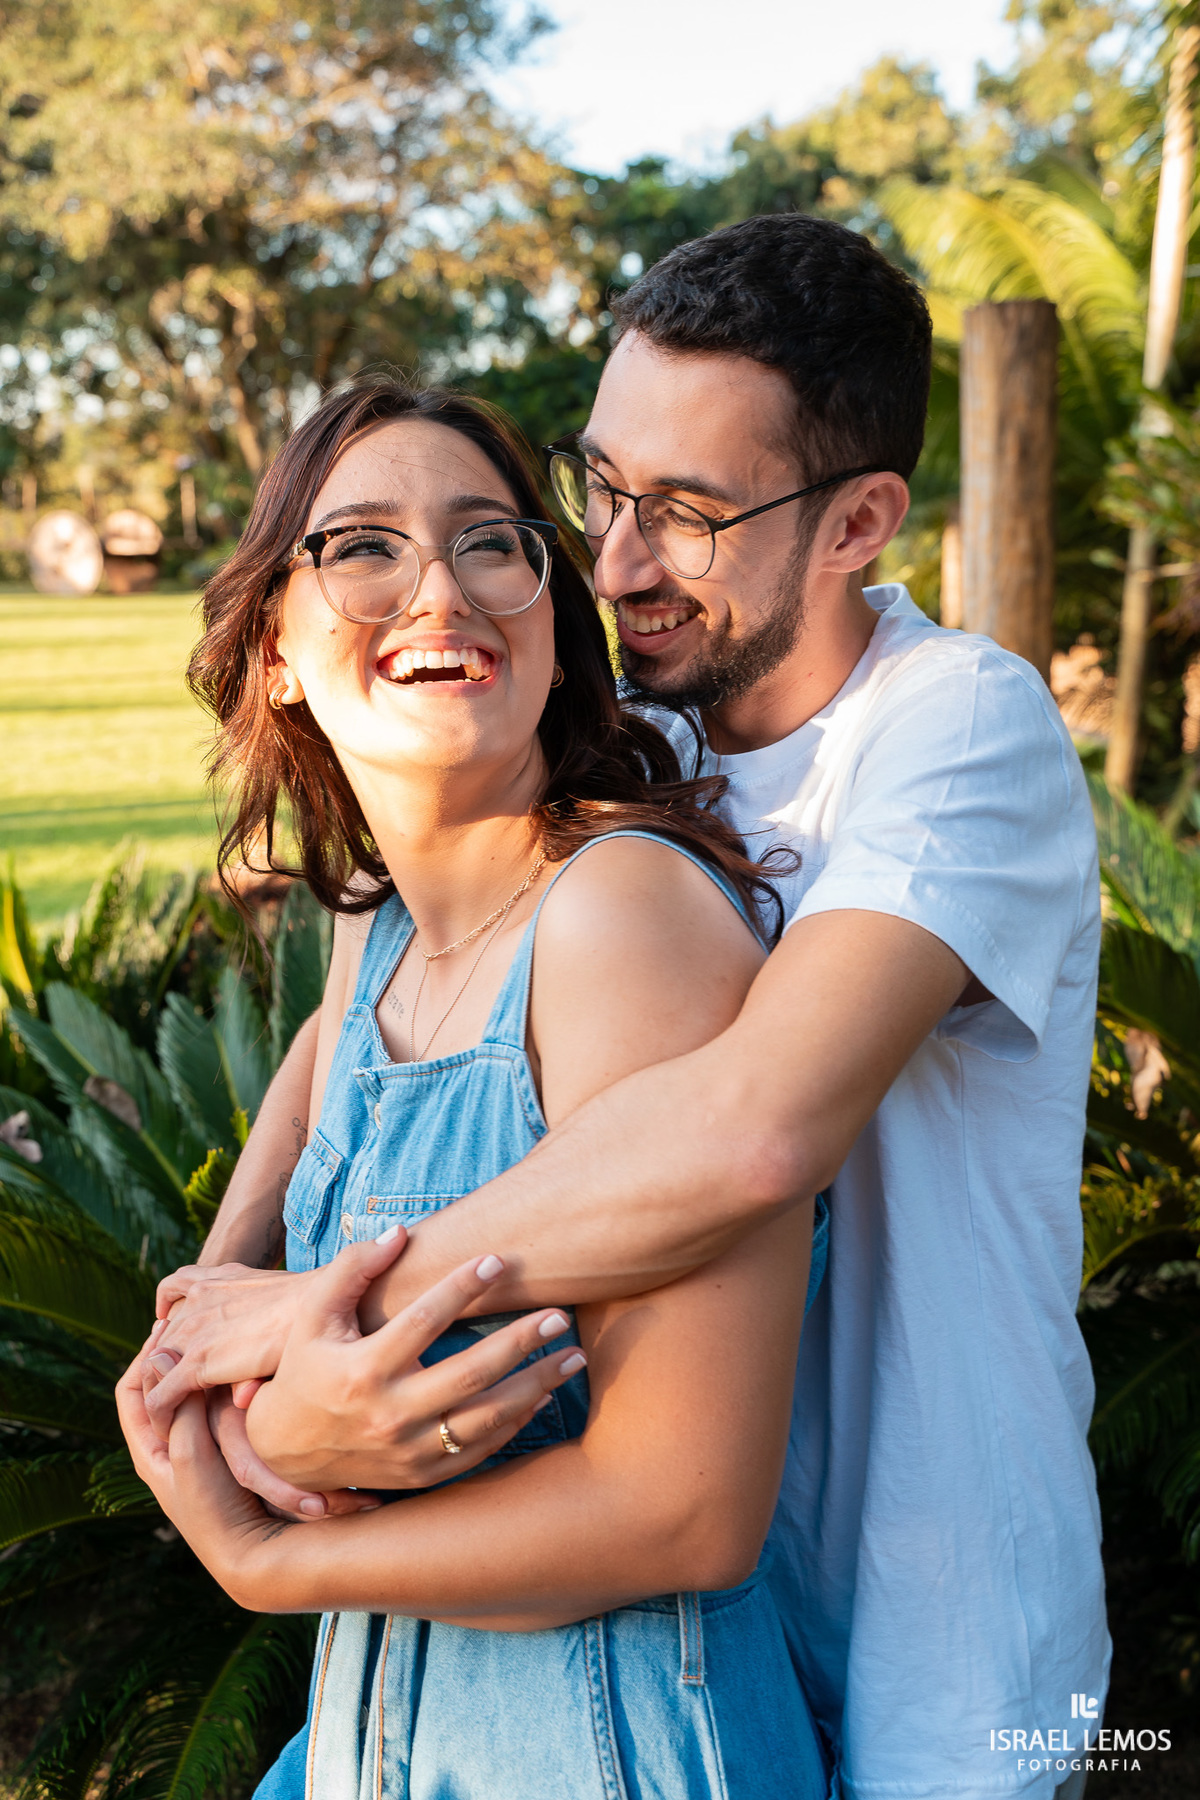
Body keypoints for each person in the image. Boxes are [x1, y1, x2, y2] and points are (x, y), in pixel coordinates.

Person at [143, 215, 1108, 1800]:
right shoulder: (661, 759)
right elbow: (356, 1026)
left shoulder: (956, 735)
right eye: (600, 490)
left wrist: (324, 1327)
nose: (618, 561)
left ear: (863, 519)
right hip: (687, 1633)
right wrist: (224, 1280)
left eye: (689, 514)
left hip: (934, 1655)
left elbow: (751, 1134)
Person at [118, 375, 833, 1800]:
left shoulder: (619, 918)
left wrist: (272, 1560)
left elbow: (685, 1510)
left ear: (555, 628)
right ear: (274, 650)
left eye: (489, 541)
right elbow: (333, 1066)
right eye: (364, 546)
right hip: (384, 1743)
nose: (437, 586)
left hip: (611, 1754)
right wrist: (207, 1314)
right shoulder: (379, 924)